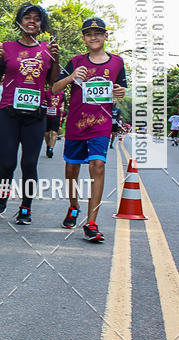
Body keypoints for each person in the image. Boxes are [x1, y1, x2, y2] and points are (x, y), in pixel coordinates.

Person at [52, 17, 127, 242]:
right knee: (71, 170)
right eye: (89, 34)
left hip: (101, 125)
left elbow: (121, 89)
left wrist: (120, 92)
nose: (94, 37)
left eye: (98, 33)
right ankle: (73, 206)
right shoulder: (76, 61)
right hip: (76, 124)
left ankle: (91, 222)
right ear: (84, 38)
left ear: (105, 36)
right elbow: (54, 88)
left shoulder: (117, 62)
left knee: (98, 166)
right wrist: (72, 77)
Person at [0, 4, 60, 224]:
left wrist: (56, 60)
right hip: (8, 113)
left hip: (35, 116)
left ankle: (26, 207)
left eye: (36, 19)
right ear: (19, 22)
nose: (32, 21)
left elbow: (52, 83)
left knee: (29, 164)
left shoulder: (48, 49)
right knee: (7, 163)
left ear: (41, 25)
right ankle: (4, 191)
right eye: (27, 17)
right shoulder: (7, 47)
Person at [44, 86, 64, 157]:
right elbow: (43, 101)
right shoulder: (47, 92)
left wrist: (62, 108)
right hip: (47, 115)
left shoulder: (62, 93)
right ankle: (48, 146)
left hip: (56, 115)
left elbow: (63, 102)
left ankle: (51, 149)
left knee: (54, 132)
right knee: (46, 133)